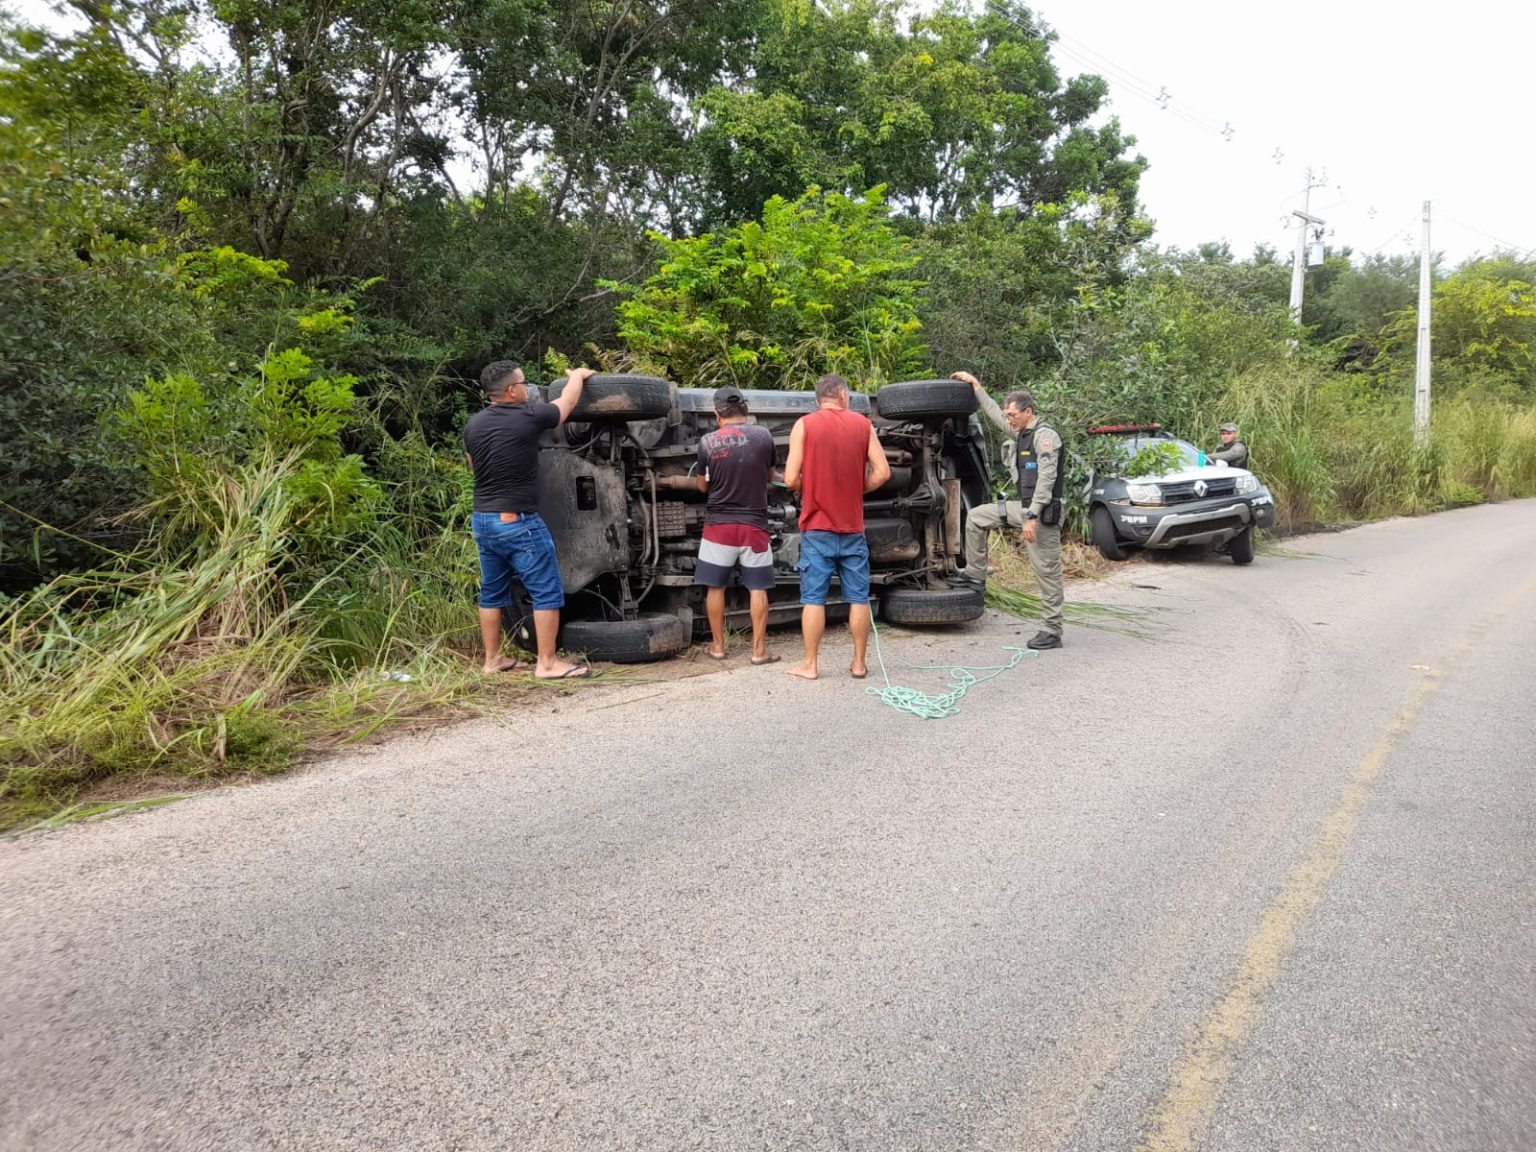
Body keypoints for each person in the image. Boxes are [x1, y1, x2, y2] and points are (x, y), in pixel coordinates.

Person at [464, 361, 596, 679]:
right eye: (525, 383)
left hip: (483, 519)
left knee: (493, 591)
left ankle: (492, 660)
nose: (528, 388)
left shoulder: (473, 424)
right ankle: (547, 663)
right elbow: (567, 404)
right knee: (547, 590)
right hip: (518, 521)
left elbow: (472, 465)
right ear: (511, 390)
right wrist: (576, 376)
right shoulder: (528, 415)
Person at [658, 386, 779, 664]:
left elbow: (702, 485)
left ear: (717, 414)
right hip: (754, 527)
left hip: (719, 527)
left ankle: (718, 647)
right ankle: (759, 652)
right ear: (746, 410)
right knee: (758, 589)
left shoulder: (708, 442)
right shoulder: (763, 436)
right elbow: (771, 476)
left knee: (716, 588)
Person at [782, 373, 891, 680]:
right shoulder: (863, 425)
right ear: (844, 396)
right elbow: (882, 472)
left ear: (819, 400)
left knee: (814, 598)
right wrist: (857, 489)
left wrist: (813, 487)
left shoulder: (804, 425)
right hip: (853, 528)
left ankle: (811, 665)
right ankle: (858, 664)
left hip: (817, 528)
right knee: (858, 597)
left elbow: (790, 479)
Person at [949, 371, 1065, 651]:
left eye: (1013, 415)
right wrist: (976, 386)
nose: (1009, 420)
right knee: (977, 517)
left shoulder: (1045, 437)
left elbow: (1046, 482)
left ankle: (1052, 630)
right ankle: (976, 575)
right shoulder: (1019, 430)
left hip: (1042, 514)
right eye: (1008, 415)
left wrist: (1033, 517)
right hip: (1022, 508)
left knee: (1046, 571)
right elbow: (993, 415)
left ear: (1028, 412)